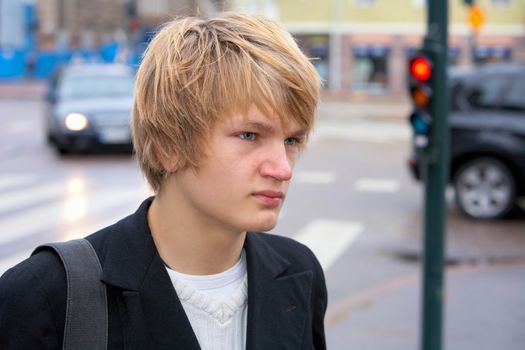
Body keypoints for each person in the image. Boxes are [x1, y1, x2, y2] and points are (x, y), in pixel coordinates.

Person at [0, 13, 327, 349]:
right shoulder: (46, 295)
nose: (283, 169)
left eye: (291, 141)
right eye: (249, 135)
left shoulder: (300, 274)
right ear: (168, 146)